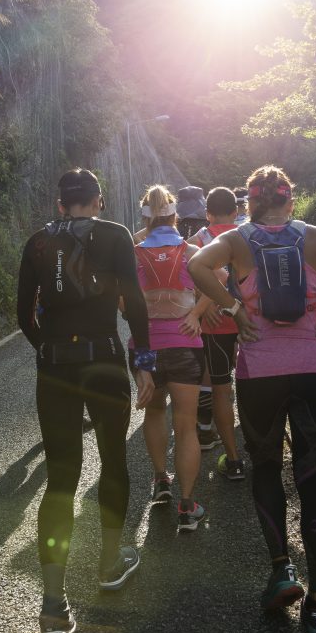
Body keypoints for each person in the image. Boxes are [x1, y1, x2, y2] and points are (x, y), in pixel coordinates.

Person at [188, 165, 316, 633]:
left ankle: (282, 571)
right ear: (290, 201)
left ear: (250, 204)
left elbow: (196, 265)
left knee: (265, 467)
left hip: (261, 373)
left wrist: (235, 309)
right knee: (314, 480)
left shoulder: (237, 240)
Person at [17, 168, 155, 633]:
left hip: (55, 367)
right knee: (113, 461)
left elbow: (22, 314)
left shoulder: (37, 242)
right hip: (104, 363)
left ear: (60, 205)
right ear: (97, 201)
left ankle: (53, 606)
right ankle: (109, 563)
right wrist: (144, 361)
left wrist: (49, 350)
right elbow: (134, 303)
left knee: (60, 476)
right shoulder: (116, 235)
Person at [130, 184, 211, 531]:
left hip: (145, 345)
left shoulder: (133, 253)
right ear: (176, 216)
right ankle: (188, 505)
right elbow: (217, 283)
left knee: (153, 411)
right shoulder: (192, 251)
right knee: (186, 425)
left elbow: (122, 300)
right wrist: (195, 315)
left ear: (146, 218)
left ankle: (161, 479)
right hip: (184, 345)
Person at [187, 186, 245, 479]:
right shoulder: (247, 236)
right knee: (251, 385)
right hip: (248, 320)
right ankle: (259, 449)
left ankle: (233, 460)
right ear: (236, 211)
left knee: (220, 386)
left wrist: (201, 300)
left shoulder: (197, 240)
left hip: (215, 322)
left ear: (207, 213)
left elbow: (189, 271)